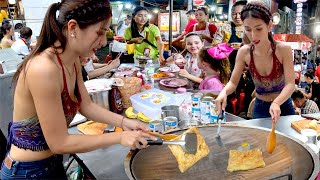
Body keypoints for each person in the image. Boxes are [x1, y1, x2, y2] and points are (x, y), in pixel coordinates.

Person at [1, 1, 155, 179]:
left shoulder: (71, 59)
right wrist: (120, 137)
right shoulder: (43, 68)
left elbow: (86, 105)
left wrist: (123, 123)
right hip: (26, 172)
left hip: (51, 163)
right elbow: (60, 142)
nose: (104, 41)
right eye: (100, 32)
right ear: (73, 27)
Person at [215, 2, 295, 123]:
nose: (253, 35)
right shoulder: (244, 52)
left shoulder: (283, 49)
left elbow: (290, 84)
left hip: (283, 104)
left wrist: (276, 102)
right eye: (247, 29)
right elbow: (232, 82)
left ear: (269, 25)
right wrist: (223, 92)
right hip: (261, 106)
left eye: (258, 29)